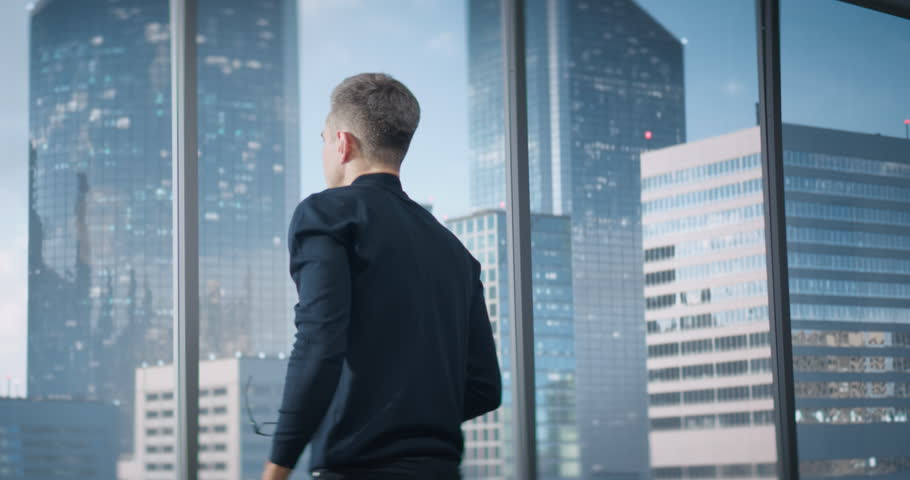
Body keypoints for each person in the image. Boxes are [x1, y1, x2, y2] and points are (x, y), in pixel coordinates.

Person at [260, 73, 502, 480]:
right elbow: (484, 387)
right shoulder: (455, 252)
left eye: (323, 138)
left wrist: (277, 468)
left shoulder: (326, 214)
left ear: (343, 143)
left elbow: (319, 342)